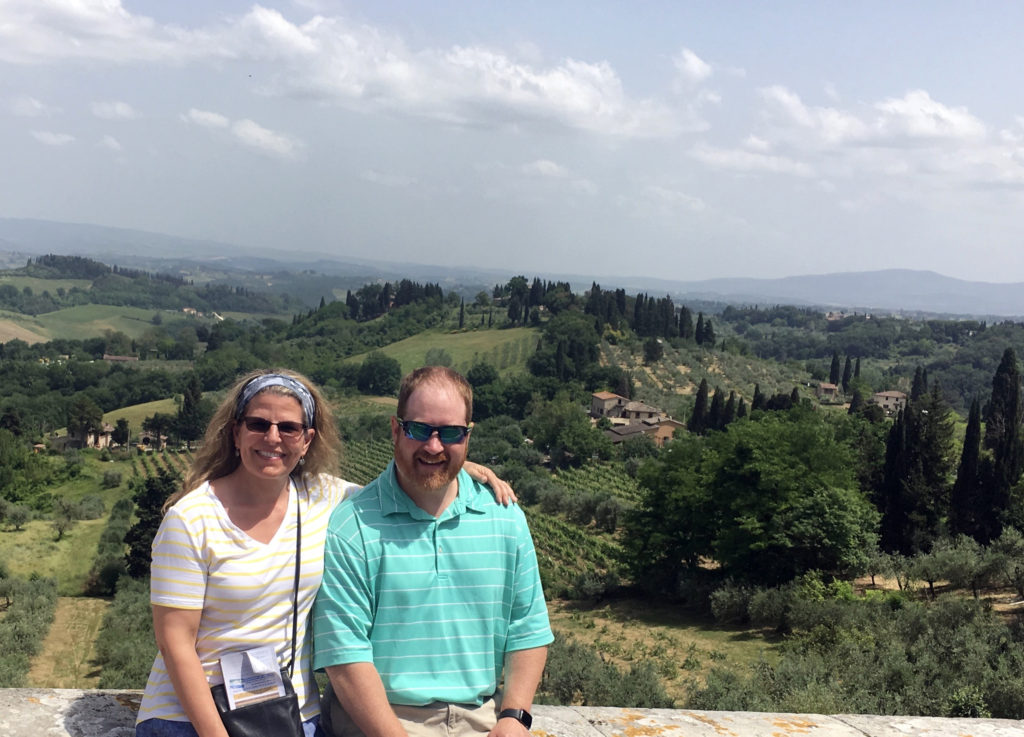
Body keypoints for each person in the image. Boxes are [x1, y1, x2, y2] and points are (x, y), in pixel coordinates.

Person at [135, 369, 514, 737]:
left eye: (288, 428)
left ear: (307, 440)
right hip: (189, 717)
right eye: (257, 424)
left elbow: (404, 483)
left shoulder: (324, 498)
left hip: (292, 714)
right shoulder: (192, 519)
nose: (272, 438)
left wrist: (457, 466)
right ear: (236, 433)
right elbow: (175, 643)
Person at [312, 366, 553, 737]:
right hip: (377, 723)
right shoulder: (353, 524)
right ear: (396, 429)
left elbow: (527, 629)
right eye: (419, 429)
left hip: (482, 721)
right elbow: (345, 655)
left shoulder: (505, 518)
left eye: (451, 433)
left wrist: (515, 716)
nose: (434, 446)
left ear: (468, 436)